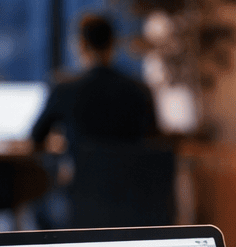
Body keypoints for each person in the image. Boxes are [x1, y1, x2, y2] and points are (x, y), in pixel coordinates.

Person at [29, 13, 158, 151]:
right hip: (129, 172)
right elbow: (153, 140)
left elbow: (36, 137)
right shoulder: (140, 90)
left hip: (83, 171)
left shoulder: (64, 89)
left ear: (81, 44)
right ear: (113, 43)